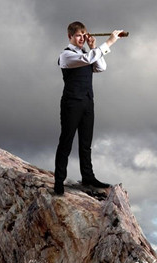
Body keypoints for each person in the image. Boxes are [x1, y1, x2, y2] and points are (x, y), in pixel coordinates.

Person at [54, 21, 123, 195]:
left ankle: (88, 177)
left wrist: (94, 47)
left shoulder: (88, 52)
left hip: (87, 102)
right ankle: (59, 181)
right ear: (70, 36)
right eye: (78, 35)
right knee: (66, 142)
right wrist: (108, 43)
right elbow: (87, 59)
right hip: (71, 103)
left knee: (86, 144)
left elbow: (101, 67)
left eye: (84, 35)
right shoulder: (66, 55)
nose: (82, 38)